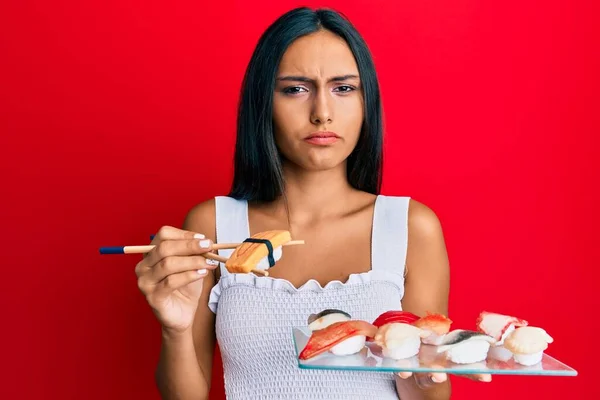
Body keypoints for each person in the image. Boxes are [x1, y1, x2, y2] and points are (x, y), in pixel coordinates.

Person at [134, 7, 490, 400]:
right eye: (295, 89)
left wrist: (423, 377)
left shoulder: (409, 226)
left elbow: (427, 391)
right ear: (263, 102)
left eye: (343, 88)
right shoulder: (214, 227)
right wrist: (175, 328)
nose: (322, 113)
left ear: (365, 101)